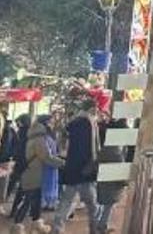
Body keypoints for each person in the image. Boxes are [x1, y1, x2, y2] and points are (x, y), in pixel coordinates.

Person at [50, 98, 101, 234]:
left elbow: (69, 144)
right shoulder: (89, 123)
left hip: (72, 169)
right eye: (96, 108)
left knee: (66, 203)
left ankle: (56, 229)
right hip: (85, 171)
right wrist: (91, 164)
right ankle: (94, 229)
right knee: (92, 205)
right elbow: (90, 149)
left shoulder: (74, 123)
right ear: (91, 108)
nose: (97, 111)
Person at [11, 116, 64, 234]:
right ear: (45, 123)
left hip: (35, 173)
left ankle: (36, 223)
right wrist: (63, 163)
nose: (53, 124)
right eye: (51, 121)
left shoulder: (36, 136)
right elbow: (46, 157)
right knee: (28, 201)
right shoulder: (40, 139)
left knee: (36, 201)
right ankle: (17, 226)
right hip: (33, 174)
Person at [95, 117, 131, 234]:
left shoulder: (108, 146)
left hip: (104, 180)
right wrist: (125, 182)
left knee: (104, 204)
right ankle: (101, 226)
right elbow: (119, 169)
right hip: (111, 182)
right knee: (108, 205)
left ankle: (100, 225)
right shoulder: (115, 150)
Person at [8, 115, 30, 214]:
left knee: (13, 183)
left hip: (21, 162)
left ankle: (13, 209)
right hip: (26, 163)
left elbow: (18, 147)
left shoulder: (21, 132)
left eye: (19, 122)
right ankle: (15, 210)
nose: (18, 124)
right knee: (21, 188)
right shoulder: (28, 132)